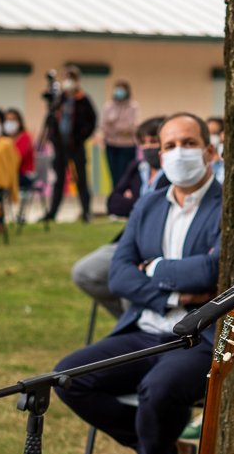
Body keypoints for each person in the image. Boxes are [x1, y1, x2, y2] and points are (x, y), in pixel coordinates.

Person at [53, 112, 221, 454]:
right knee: (68, 378)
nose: (179, 153)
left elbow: (212, 271)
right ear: (158, 155)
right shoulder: (148, 205)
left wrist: (155, 268)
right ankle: (167, 451)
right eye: (169, 146)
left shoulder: (227, 206)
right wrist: (175, 294)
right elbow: (119, 275)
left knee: (157, 390)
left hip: (198, 338)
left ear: (210, 151)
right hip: (146, 330)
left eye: (188, 143)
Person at [71, 116, 167, 319]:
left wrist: (133, 202)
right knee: (84, 273)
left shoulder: (174, 174)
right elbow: (113, 203)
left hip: (157, 247)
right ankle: (129, 321)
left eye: (153, 141)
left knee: (128, 286)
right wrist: (141, 204)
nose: (148, 147)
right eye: (143, 142)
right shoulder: (136, 167)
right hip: (127, 240)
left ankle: (138, 323)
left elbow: (159, 209)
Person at [45, 65, 98, 222]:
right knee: (59, 180)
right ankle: (52, 212)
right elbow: (50, 120)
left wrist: (81, 136)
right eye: (67, 77)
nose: (69, 81)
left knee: (81, 179)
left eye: (72, 78)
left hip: (76, 145)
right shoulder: (59, 99)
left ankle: (86, 212)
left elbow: (92, 121)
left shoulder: (83, 100)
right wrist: (53, 137)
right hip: (60, 146)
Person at [100, 80, 139, 187]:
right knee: (114, 175)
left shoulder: (133, 106)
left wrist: (113, 125)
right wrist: (120, 128)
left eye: (122, 89)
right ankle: (116, 195)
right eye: (117, 88)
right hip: (111, 145)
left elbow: (131, 127)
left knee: (125, 175)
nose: (119, 91)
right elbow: (103, 126)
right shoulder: (108, 106)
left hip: (127, 145)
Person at [207, 115, 225, 183]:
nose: (211, 136)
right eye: (208, 133)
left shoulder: (224, 161)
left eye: (215, 133)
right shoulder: (201, 160)